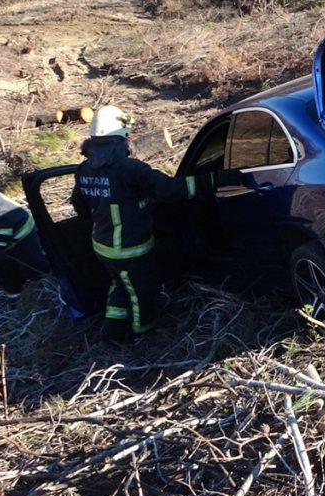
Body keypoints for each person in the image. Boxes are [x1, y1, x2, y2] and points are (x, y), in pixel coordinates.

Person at [70, 105, 243, 343]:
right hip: (130, 250)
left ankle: (111, 332)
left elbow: (79, 205)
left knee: (120, 285)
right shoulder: (129, 169)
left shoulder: (84, 169)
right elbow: (170, 191)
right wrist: (215, 179)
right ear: (122, 136)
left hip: (102, 247)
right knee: (142, 291)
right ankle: (144, 333)